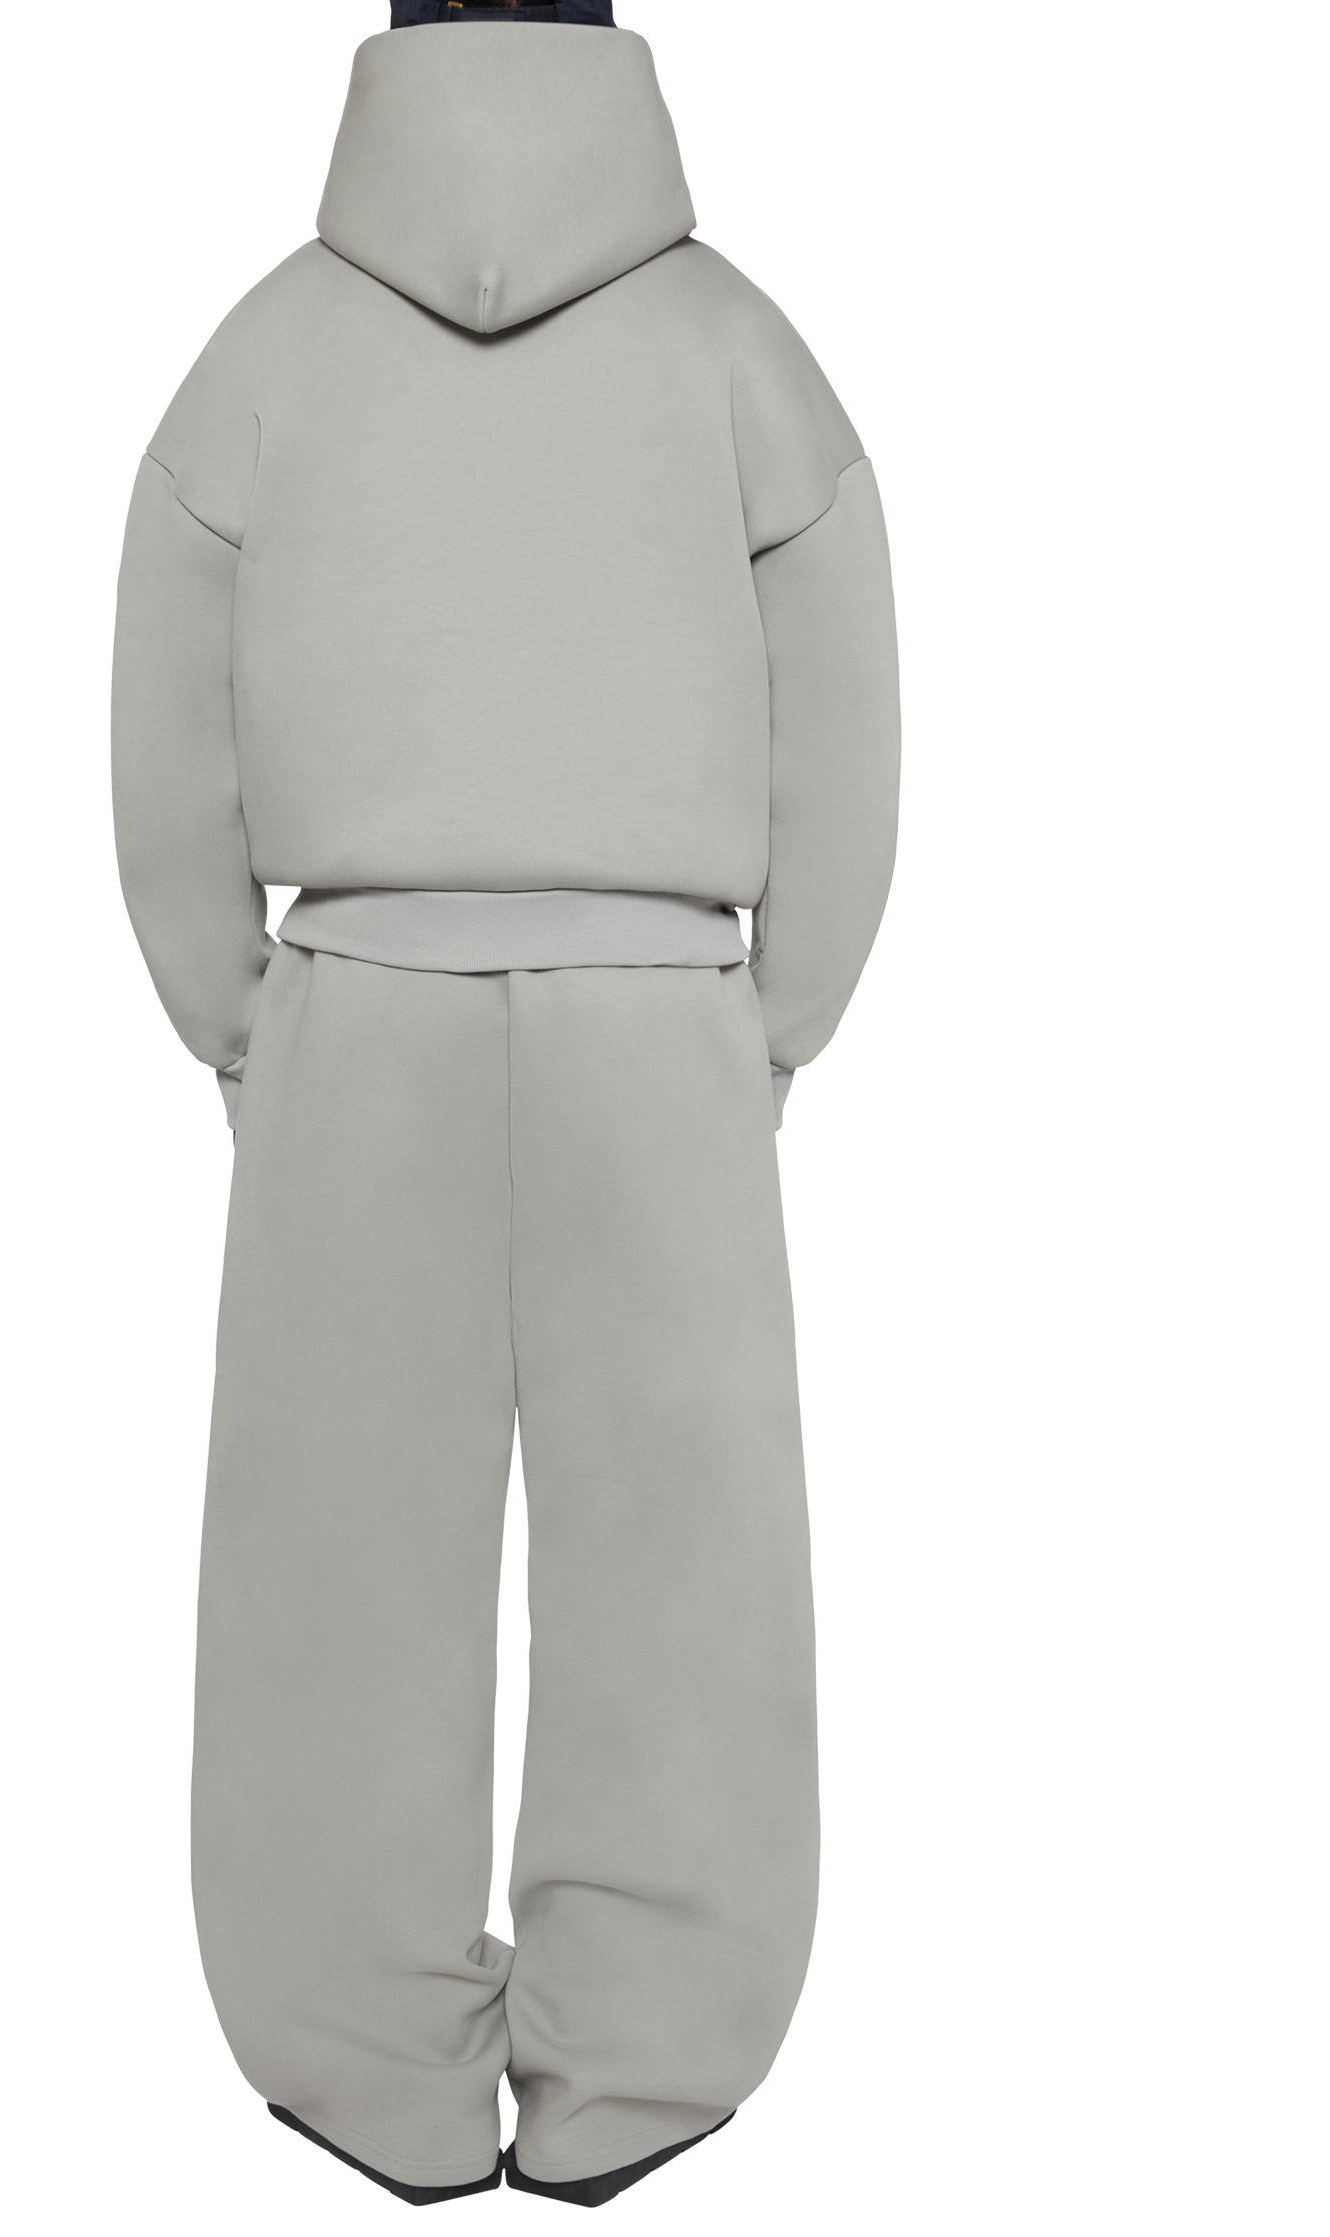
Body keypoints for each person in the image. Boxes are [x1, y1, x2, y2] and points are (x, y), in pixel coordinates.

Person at [109, 1, 901, 2207]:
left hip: (352, 991)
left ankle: (351, 2058)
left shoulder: (262, 351)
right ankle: (661, 2057)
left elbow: (162, 705)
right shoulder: (736, 348)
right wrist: (778, 1016)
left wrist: (235, 1017)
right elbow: (844, 694)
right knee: (686, 1549)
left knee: (331, 1546)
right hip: (666, 1002)